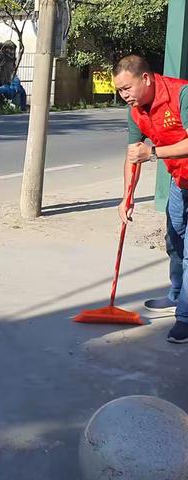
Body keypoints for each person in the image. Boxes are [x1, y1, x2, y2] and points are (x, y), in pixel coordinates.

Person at [113, 54, 188, 343]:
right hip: (180, 180)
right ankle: (176, 294)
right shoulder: (136, 111)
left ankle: (185, 317)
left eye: (127, 88)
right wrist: (126, 198)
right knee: (174, 240)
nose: (124, 96)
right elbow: (133, 154)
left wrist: (154, 154)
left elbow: (149, 153)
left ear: (145, 78)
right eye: (119, 91)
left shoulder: (181, 94)